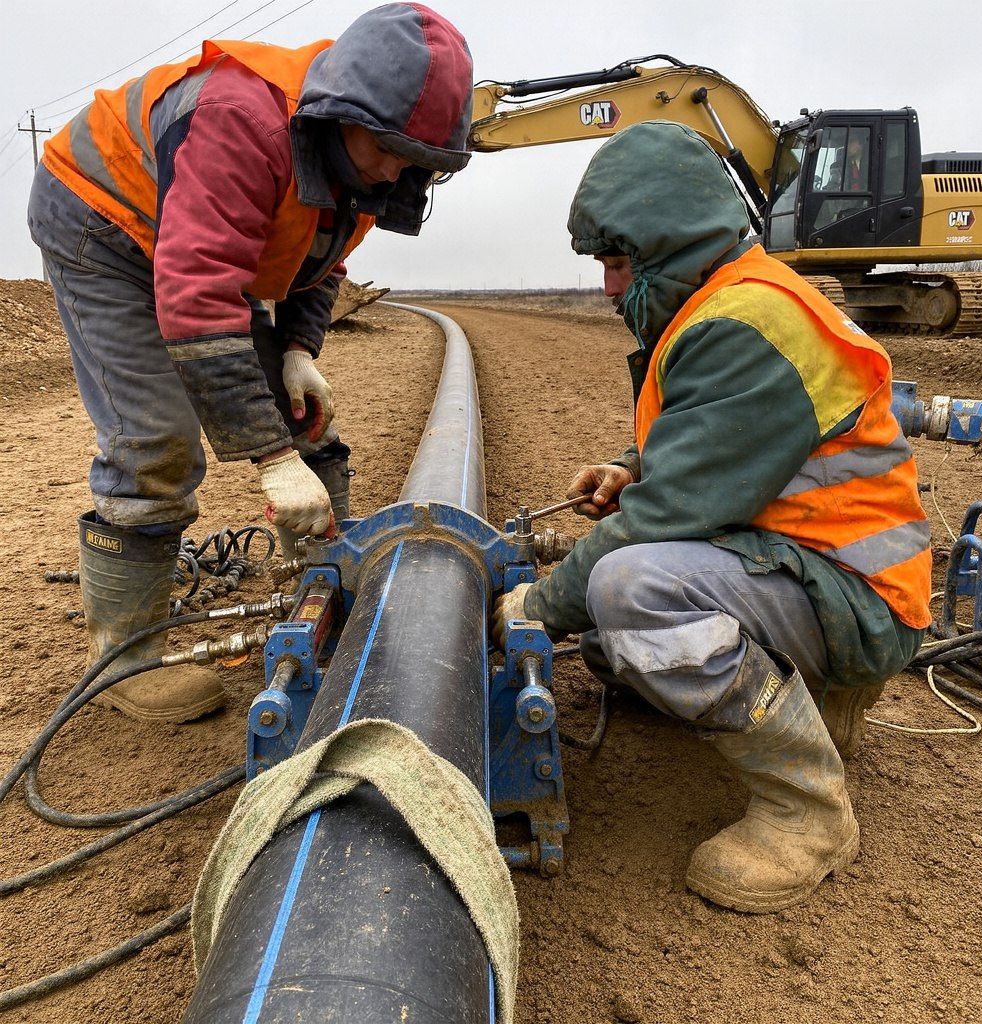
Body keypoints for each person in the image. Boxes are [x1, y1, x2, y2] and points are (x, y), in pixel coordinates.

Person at [492, 121, 931, 913]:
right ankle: (817, 702)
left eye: (618, 262)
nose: (606, 286)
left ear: (669, 245)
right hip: (816, 568)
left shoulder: (745, 325)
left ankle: (809, 813)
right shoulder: (733, 302)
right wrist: (630, 466)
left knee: (630, 593)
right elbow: (720, 444)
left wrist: (533, 608)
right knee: (610, 638)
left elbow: (665, 519)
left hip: (860, 599)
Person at [28, 4, 474, 724]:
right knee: (156, 439)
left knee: (306, 417)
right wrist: (270, 458)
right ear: (341, 112)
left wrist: (297, 351)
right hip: (104, 219)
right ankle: (122, 660)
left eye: (415, 159)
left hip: (198, 241)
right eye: (387, 148)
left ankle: (327, 577)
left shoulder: (375, 159)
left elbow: (319, 258)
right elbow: (199, 296)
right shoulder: (244, 122)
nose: (395, 169)